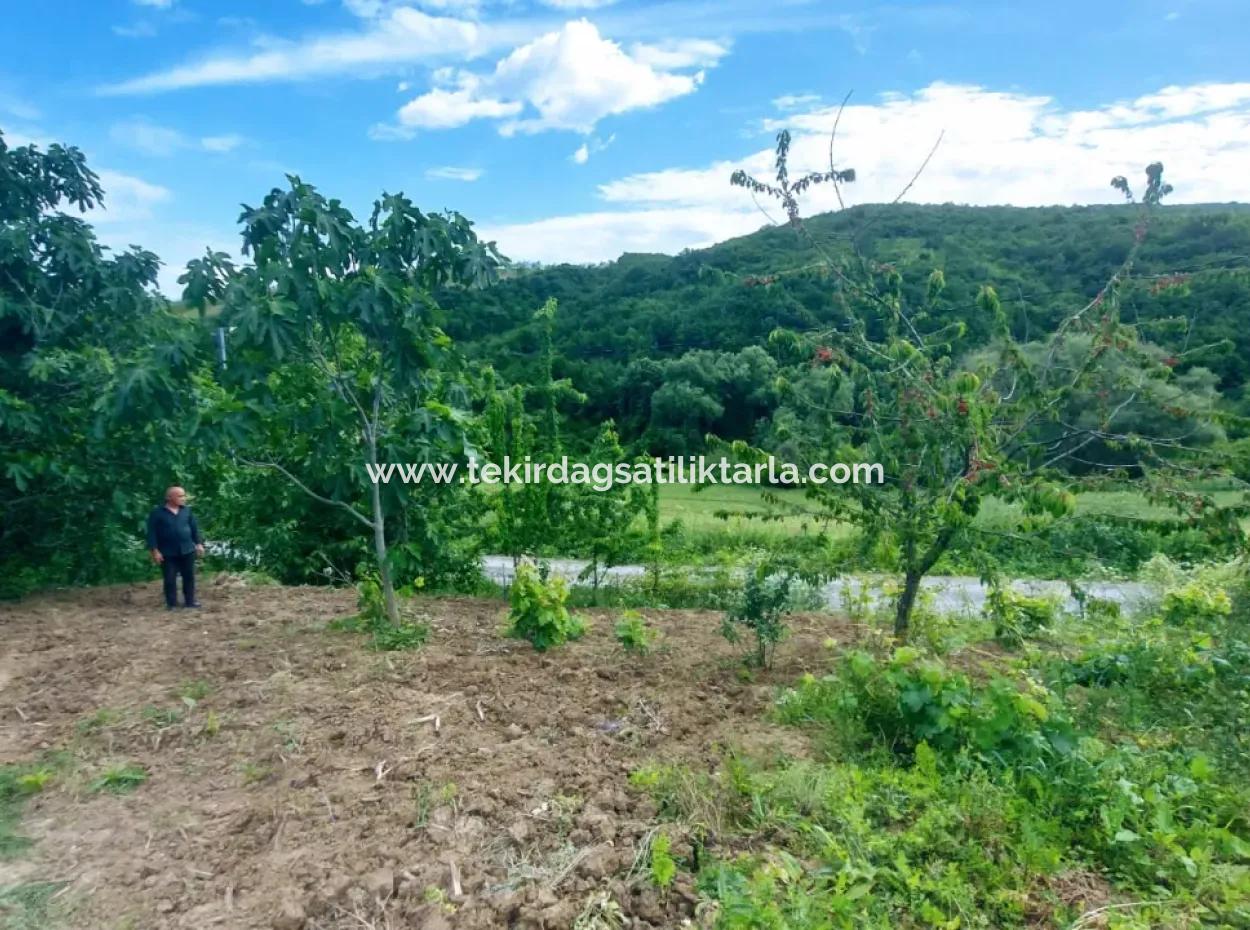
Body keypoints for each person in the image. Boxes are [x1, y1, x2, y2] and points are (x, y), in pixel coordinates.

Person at [146, 486, 204, 609]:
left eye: (184, 496)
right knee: (170, 579)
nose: (184, 498)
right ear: (169, 498)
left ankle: (190, 602)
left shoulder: (187, 511)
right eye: (180, 496)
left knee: (189, 577)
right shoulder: (157, 513)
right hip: (167, 552)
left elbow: (194, 529)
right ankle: (171, 604)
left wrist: (198, 544)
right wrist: (155, 551)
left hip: (187, 550)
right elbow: (151, 533)